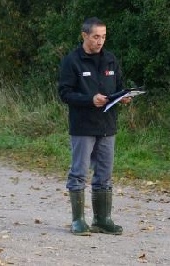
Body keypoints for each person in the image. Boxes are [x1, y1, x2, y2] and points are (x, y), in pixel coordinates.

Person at [58, 17, 131, 236]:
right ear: (85, 36)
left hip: (108, 126)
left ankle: (102, 219)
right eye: (96, 37)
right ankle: (78, 220)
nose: (100, 41)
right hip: (83, 126)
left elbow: (119, 86)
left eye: (104, 36)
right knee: (79, 172)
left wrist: (124, 96)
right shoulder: (72, 61)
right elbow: (65, 93)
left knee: (105, 174)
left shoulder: (110, 59)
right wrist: (90, 100)